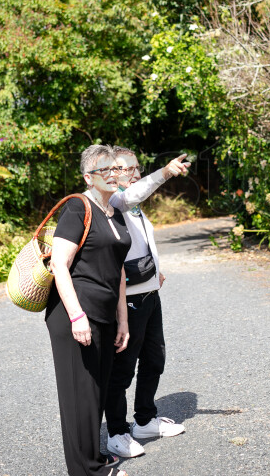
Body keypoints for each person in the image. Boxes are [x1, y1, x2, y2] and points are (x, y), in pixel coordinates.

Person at [47, 144, 132, 476]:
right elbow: (59, 264)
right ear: (88, 176)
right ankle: (88, 471)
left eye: (116, 168)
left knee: (96, 391)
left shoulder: (115, 211)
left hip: (105, 315)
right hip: (75, 316)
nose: (113, 175)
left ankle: (91, 457)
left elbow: (119, 270)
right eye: (104, 170)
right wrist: (76, 316)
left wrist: (122, 319)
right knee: (79, 396)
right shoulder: (76, 208)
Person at [104, 148, 191, 459]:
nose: (134, 173)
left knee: (155, 359)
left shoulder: (135, 205)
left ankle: (144, 421)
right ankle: (116, 431)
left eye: (136, 167)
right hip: (129, 300)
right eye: (127, 169)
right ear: (111, 173)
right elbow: (130, 196)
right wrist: (166, 172)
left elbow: (141, 243)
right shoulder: (114, 200)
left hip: (150, 293)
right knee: (123, 368)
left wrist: (157, 272)